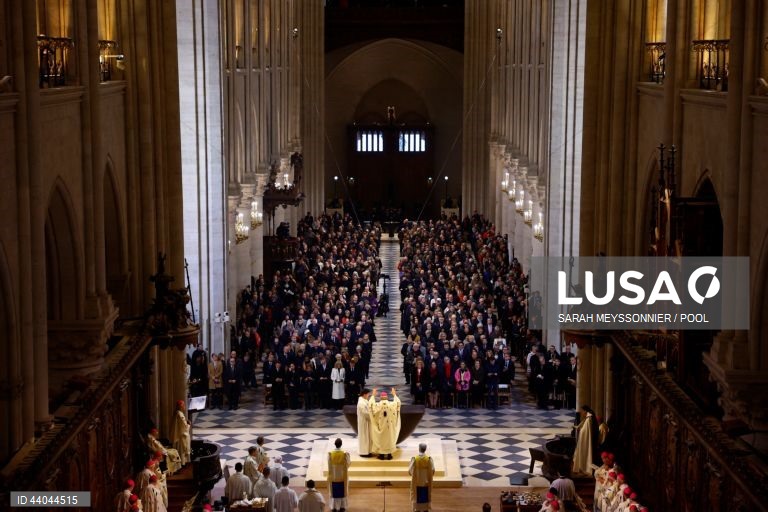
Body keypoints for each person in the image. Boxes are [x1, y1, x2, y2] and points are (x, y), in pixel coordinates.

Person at [370, 388, 401, 460]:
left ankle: (381, 455)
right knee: (389, 439)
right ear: (387, 397)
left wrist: (373, 395)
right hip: (389, 427)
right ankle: (389, 455)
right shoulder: (391, 405)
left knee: (382, 439)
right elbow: (398, 403)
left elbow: (371, 405)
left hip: (381, 426)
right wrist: (394, 394)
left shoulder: (378, 405)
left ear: (380, 398)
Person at [572, 405, 600, 475]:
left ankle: (584, 469)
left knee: (585, 454)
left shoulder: (589, 419)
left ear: (585, 411)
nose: (581, 413)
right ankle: (581, 468)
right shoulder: (588, 418)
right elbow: (582, 427)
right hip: (583, 440)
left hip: (585, 441)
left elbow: (586, 431)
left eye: (582, 411)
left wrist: (581, 431)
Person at [408, 443, 435, 512]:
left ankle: (417, 509)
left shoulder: (415, 459)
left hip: (416, 483)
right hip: (426, 483)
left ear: (419, 449)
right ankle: (425, 509)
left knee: (416, 498)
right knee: (426, 497)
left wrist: (414, 475)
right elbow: (433, 470)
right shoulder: (429, 459)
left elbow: (409, 471)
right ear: (425, 449)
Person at [327, 438, 351, 512]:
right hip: (342, 477)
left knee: (334, 491)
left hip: (333, 476)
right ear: (341, 444)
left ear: (335, 444)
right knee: (342, 491)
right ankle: (342, 507)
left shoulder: (330, 454)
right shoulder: (345, 454)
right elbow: (348, 464)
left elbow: (329, 465)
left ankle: (334, 507)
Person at [171, 400, 192, 466]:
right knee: (182, 451)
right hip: (181, 436)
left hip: (178, 435)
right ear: (180, 406)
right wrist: (188, 424)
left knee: (180, 450)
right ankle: (182, 464)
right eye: (183, 405)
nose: (184, 406)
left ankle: (181, 464)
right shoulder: (180, 414)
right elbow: (184, 426)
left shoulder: (177, 412)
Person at [356, 389, 373, 458]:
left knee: (367, 436)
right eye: (368, 394)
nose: (368, 395)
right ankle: (364, 452)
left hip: (366, 421)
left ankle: (368, 451)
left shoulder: (364, 401)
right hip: (363, 422)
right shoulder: (361, 403)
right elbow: (365, 413)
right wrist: (373, 416)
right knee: (364, 437)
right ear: (364, 394)